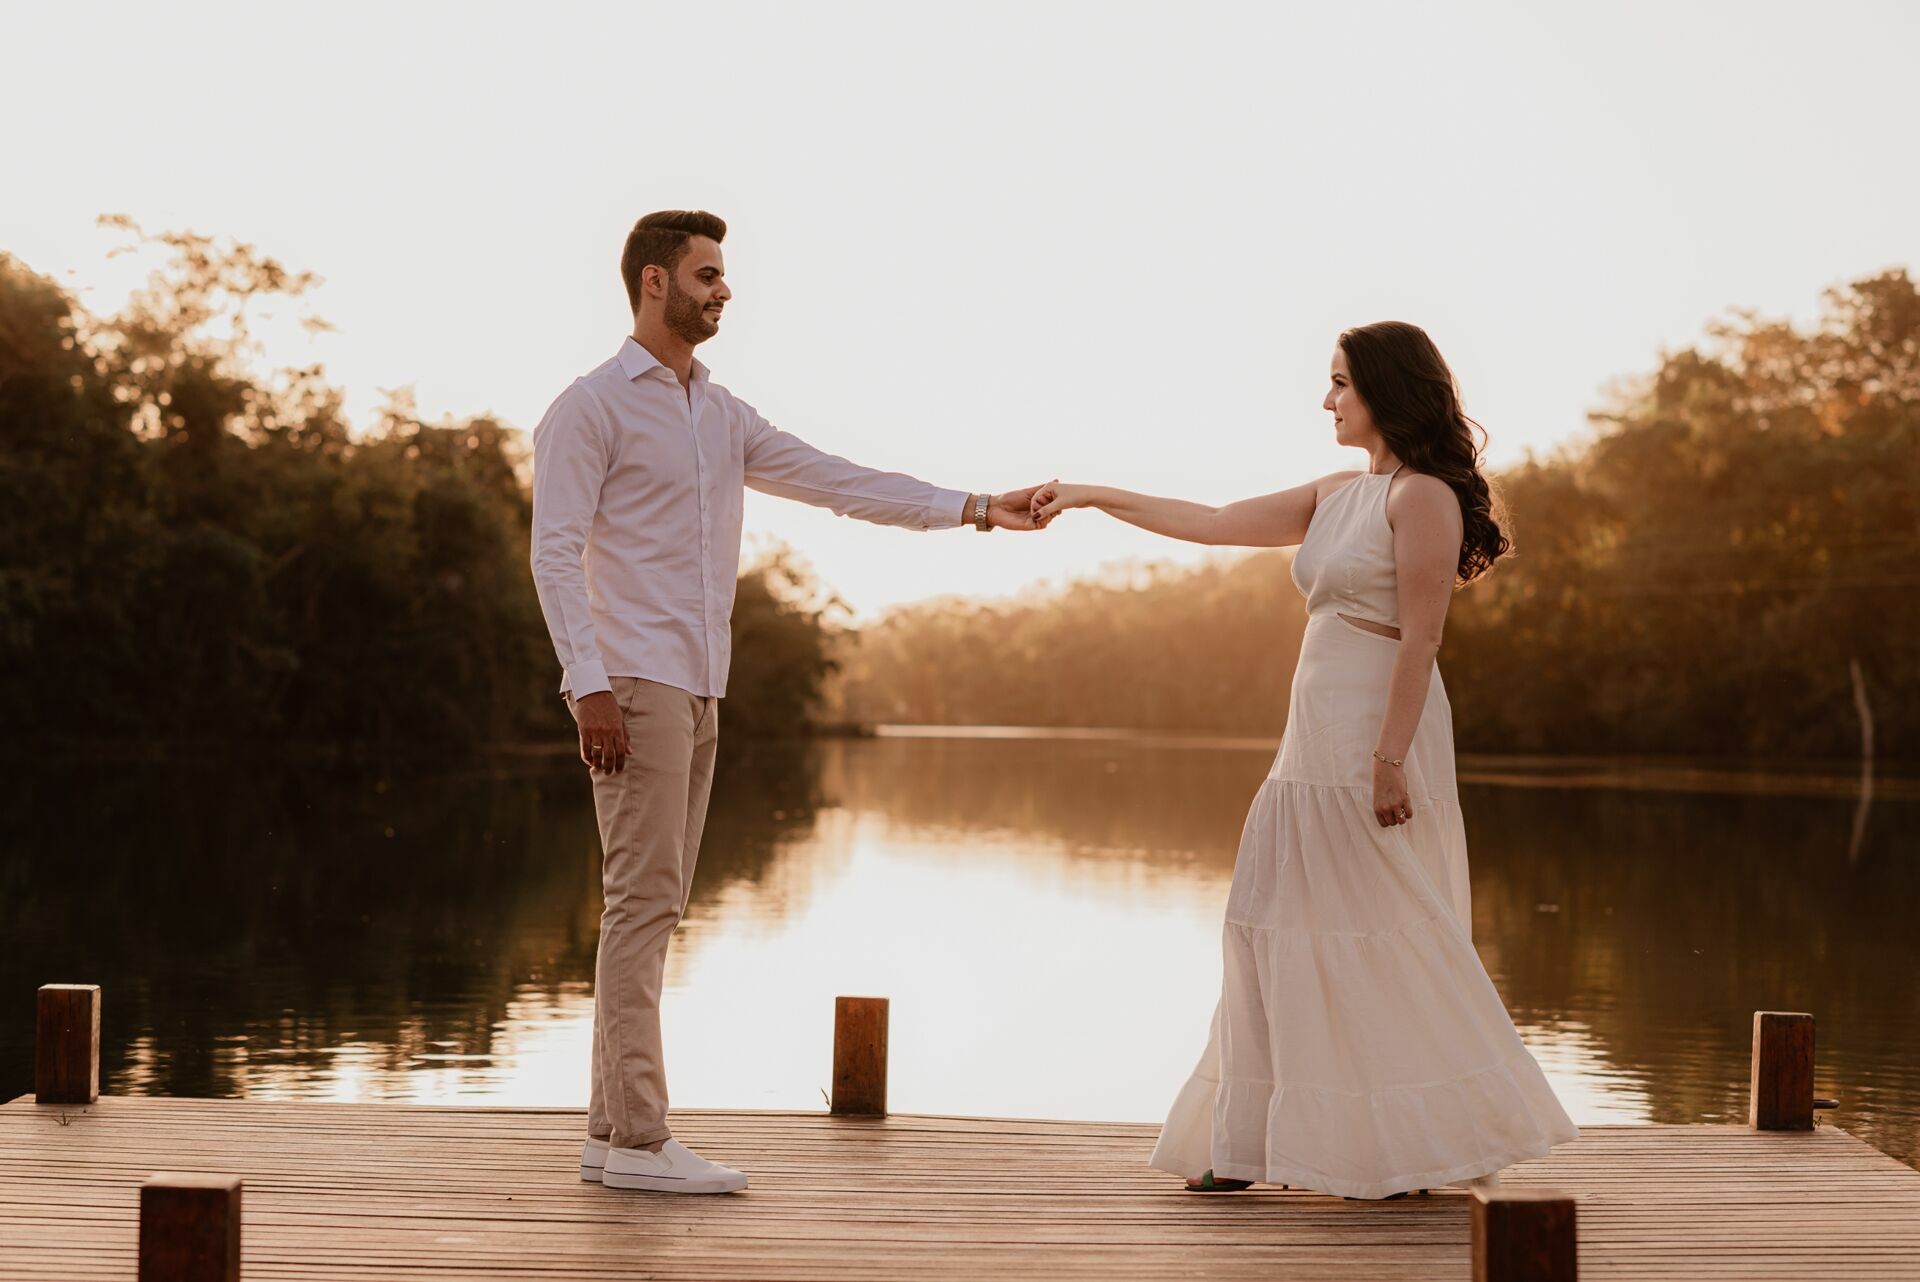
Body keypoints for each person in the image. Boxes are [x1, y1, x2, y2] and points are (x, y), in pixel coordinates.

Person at [530, 210, 1046, 1194]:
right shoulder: (590, 407)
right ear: (653, 282)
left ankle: (610, 1134)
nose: (725, 291)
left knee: (654, 906)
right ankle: (640, 1141)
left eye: (724, 276)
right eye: (707, 274)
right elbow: (554, 549)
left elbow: (840, 482)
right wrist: (586, 682)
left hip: (699, 683)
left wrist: (979, 506)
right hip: (633, 682)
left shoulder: (721, 416)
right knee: (643, 908)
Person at [1031, 322, 1578, 1199]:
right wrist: (1092, 494)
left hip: (1377, 734)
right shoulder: (1335, 493)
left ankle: (1405, 1148)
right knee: (1266, 919)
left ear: (1386, 393)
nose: (1326, 400)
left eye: (1340, 385)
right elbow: (1209, 522)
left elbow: (1422, 635)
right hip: (1309, 739)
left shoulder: (1424, 497)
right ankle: (1244, 1139)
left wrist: (1390, 758)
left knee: (1379, 931)